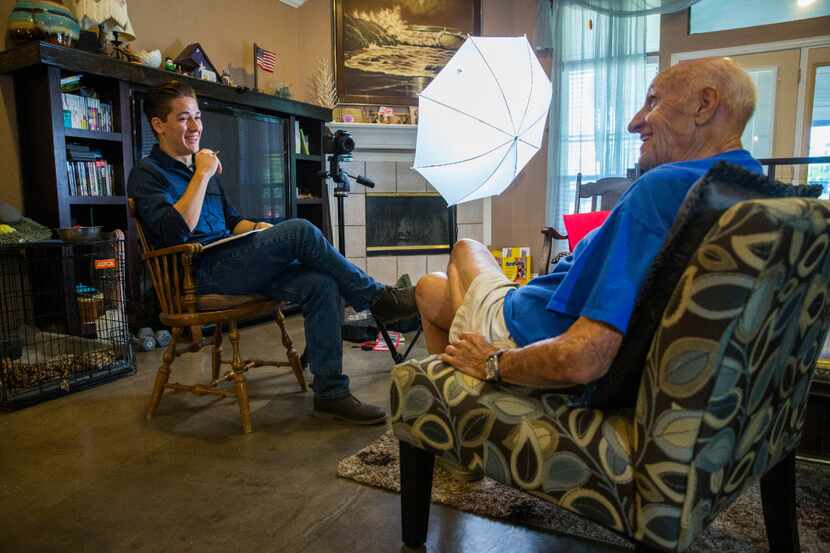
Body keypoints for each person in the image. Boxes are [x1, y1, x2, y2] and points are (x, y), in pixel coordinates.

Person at [415, 57, 763, 393]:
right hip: (543, 307)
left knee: (464, 248)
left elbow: (584, 357)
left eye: (652, 102)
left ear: (704, 104)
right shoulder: (748, 187)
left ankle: (461, 387)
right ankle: (453, 396)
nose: (634, 122)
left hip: (530, 329)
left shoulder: (663, 187)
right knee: (431, 287)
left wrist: (493, 362)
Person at [129, 81, 417, 425]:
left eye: (198, 117)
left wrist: (262, 231)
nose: (195, 127)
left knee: (321, 283)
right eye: (183, 118)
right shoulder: (148, 174)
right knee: (301, 230)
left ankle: (331, 393)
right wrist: (202, 174)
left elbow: (232, 222)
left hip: (233, 260)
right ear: (158, 125)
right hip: (199, 276)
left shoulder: (202, 168)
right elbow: (178, 229)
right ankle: (379, 299)